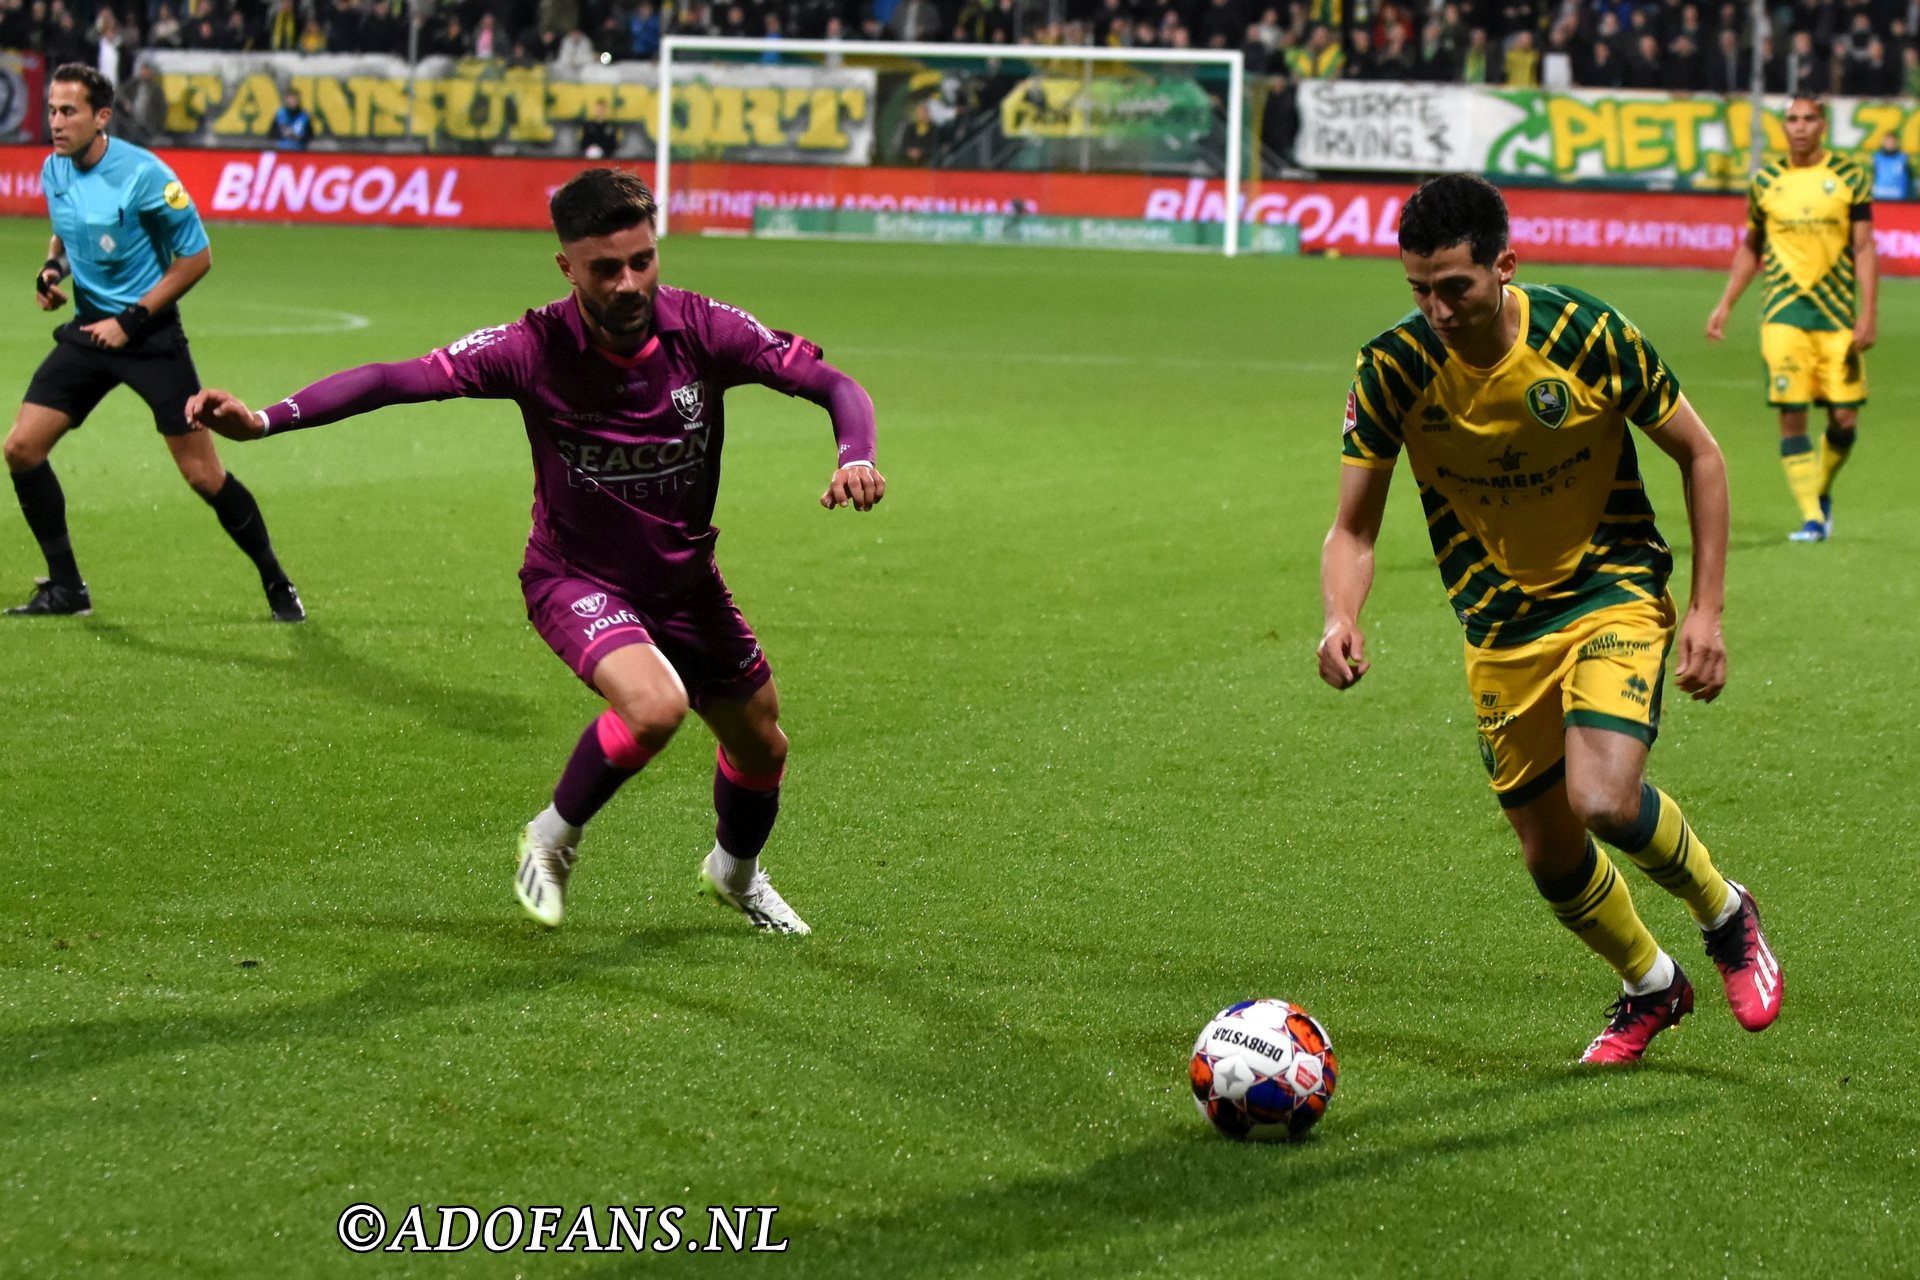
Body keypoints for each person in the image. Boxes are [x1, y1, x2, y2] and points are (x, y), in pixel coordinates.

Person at [186, 168, 885, 933]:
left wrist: (855, 453)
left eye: (642, 260)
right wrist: (263, 419)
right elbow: (393, 379)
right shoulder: (531, 347)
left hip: (686, 581)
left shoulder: (704, 329)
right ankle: (551, 839)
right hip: (574, 577)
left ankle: (736, 874)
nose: (628, 282)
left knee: (762, 749)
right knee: (655, 708)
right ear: (566, 267)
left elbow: (835, 385)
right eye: (605, 268)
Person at [1319, 173, 1782, 1065]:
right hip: (1498, 625)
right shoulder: (1392, 369)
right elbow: (1352, 528)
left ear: (1505, 266)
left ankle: (1725, 914)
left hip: (1611, 588)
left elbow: (1702, 455)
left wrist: (1709, 613)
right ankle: (1651, 984)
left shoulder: (1585, 334)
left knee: (1601, 797)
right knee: (1549, 852)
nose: (1438, 309)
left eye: (1455, 286)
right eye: (1418, 289)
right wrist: (1340, 614)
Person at [6, 64, 301, 620]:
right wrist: (52, 271)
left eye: (68, 112)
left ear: (102, 117)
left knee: (203, 475)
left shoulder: (145, 176)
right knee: (21, 449)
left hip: (150, 338)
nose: (56, 122)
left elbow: (197, 259)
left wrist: (134, 320)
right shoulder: (55, 170)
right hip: (91, 332)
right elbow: (70, 235)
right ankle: (67, 589)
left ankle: (277, 582)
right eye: (51, 110)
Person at [1705, 94, 1875, 542]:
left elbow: (1864, 248)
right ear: (1785, 127)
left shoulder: (1849, 178)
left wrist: (1869, 310)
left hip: (1837, 316)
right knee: (1791, 414)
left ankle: (1820, 492)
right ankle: (1812, 518)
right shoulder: (1765, 182)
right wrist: (1725, 304)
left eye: (1808, 119)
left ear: (1823, 126)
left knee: (1844, 419)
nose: (1799, 127)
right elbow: (1751, 247)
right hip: (1782, 315)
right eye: (1792, 119)